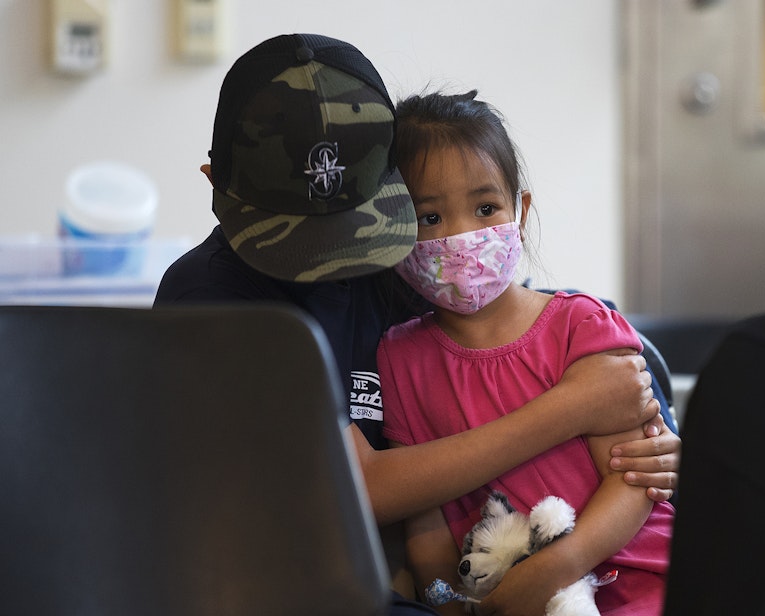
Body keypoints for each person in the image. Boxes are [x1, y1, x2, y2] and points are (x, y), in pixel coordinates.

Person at [154, 33, 680, 616]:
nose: (325, 258)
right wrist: (573, 408)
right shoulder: (212, 298)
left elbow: (538, 351)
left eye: (346, 223)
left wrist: (650, 448)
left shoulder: (395, 261)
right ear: (213, 182)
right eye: (292, 233)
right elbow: (362, 485)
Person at [377, 90, 673, 616]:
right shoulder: (400, 360)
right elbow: (426, 528)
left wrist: (554, 569)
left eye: (485, 208)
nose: (462, 235)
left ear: (521, 209)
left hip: (637, 578)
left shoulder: (579, 325)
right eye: (429, 217)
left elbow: (634, 481)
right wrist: (456, 604)